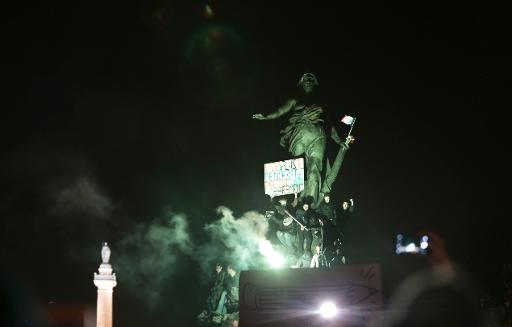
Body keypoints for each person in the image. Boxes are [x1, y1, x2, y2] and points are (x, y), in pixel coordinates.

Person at [253, 73, 352, 206]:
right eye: (306, 79)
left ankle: (309, 204)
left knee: (314, 170)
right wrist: (266, 116)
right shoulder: (294, 101)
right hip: (300, 135)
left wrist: (339, 141)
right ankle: (295, 202)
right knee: (295, 171)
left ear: (315, 83)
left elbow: (330, 126)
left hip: (319, 135)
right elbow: (279, 111)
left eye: (311, 79)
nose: (309, 81)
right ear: (301, 83)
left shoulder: (321, 103)